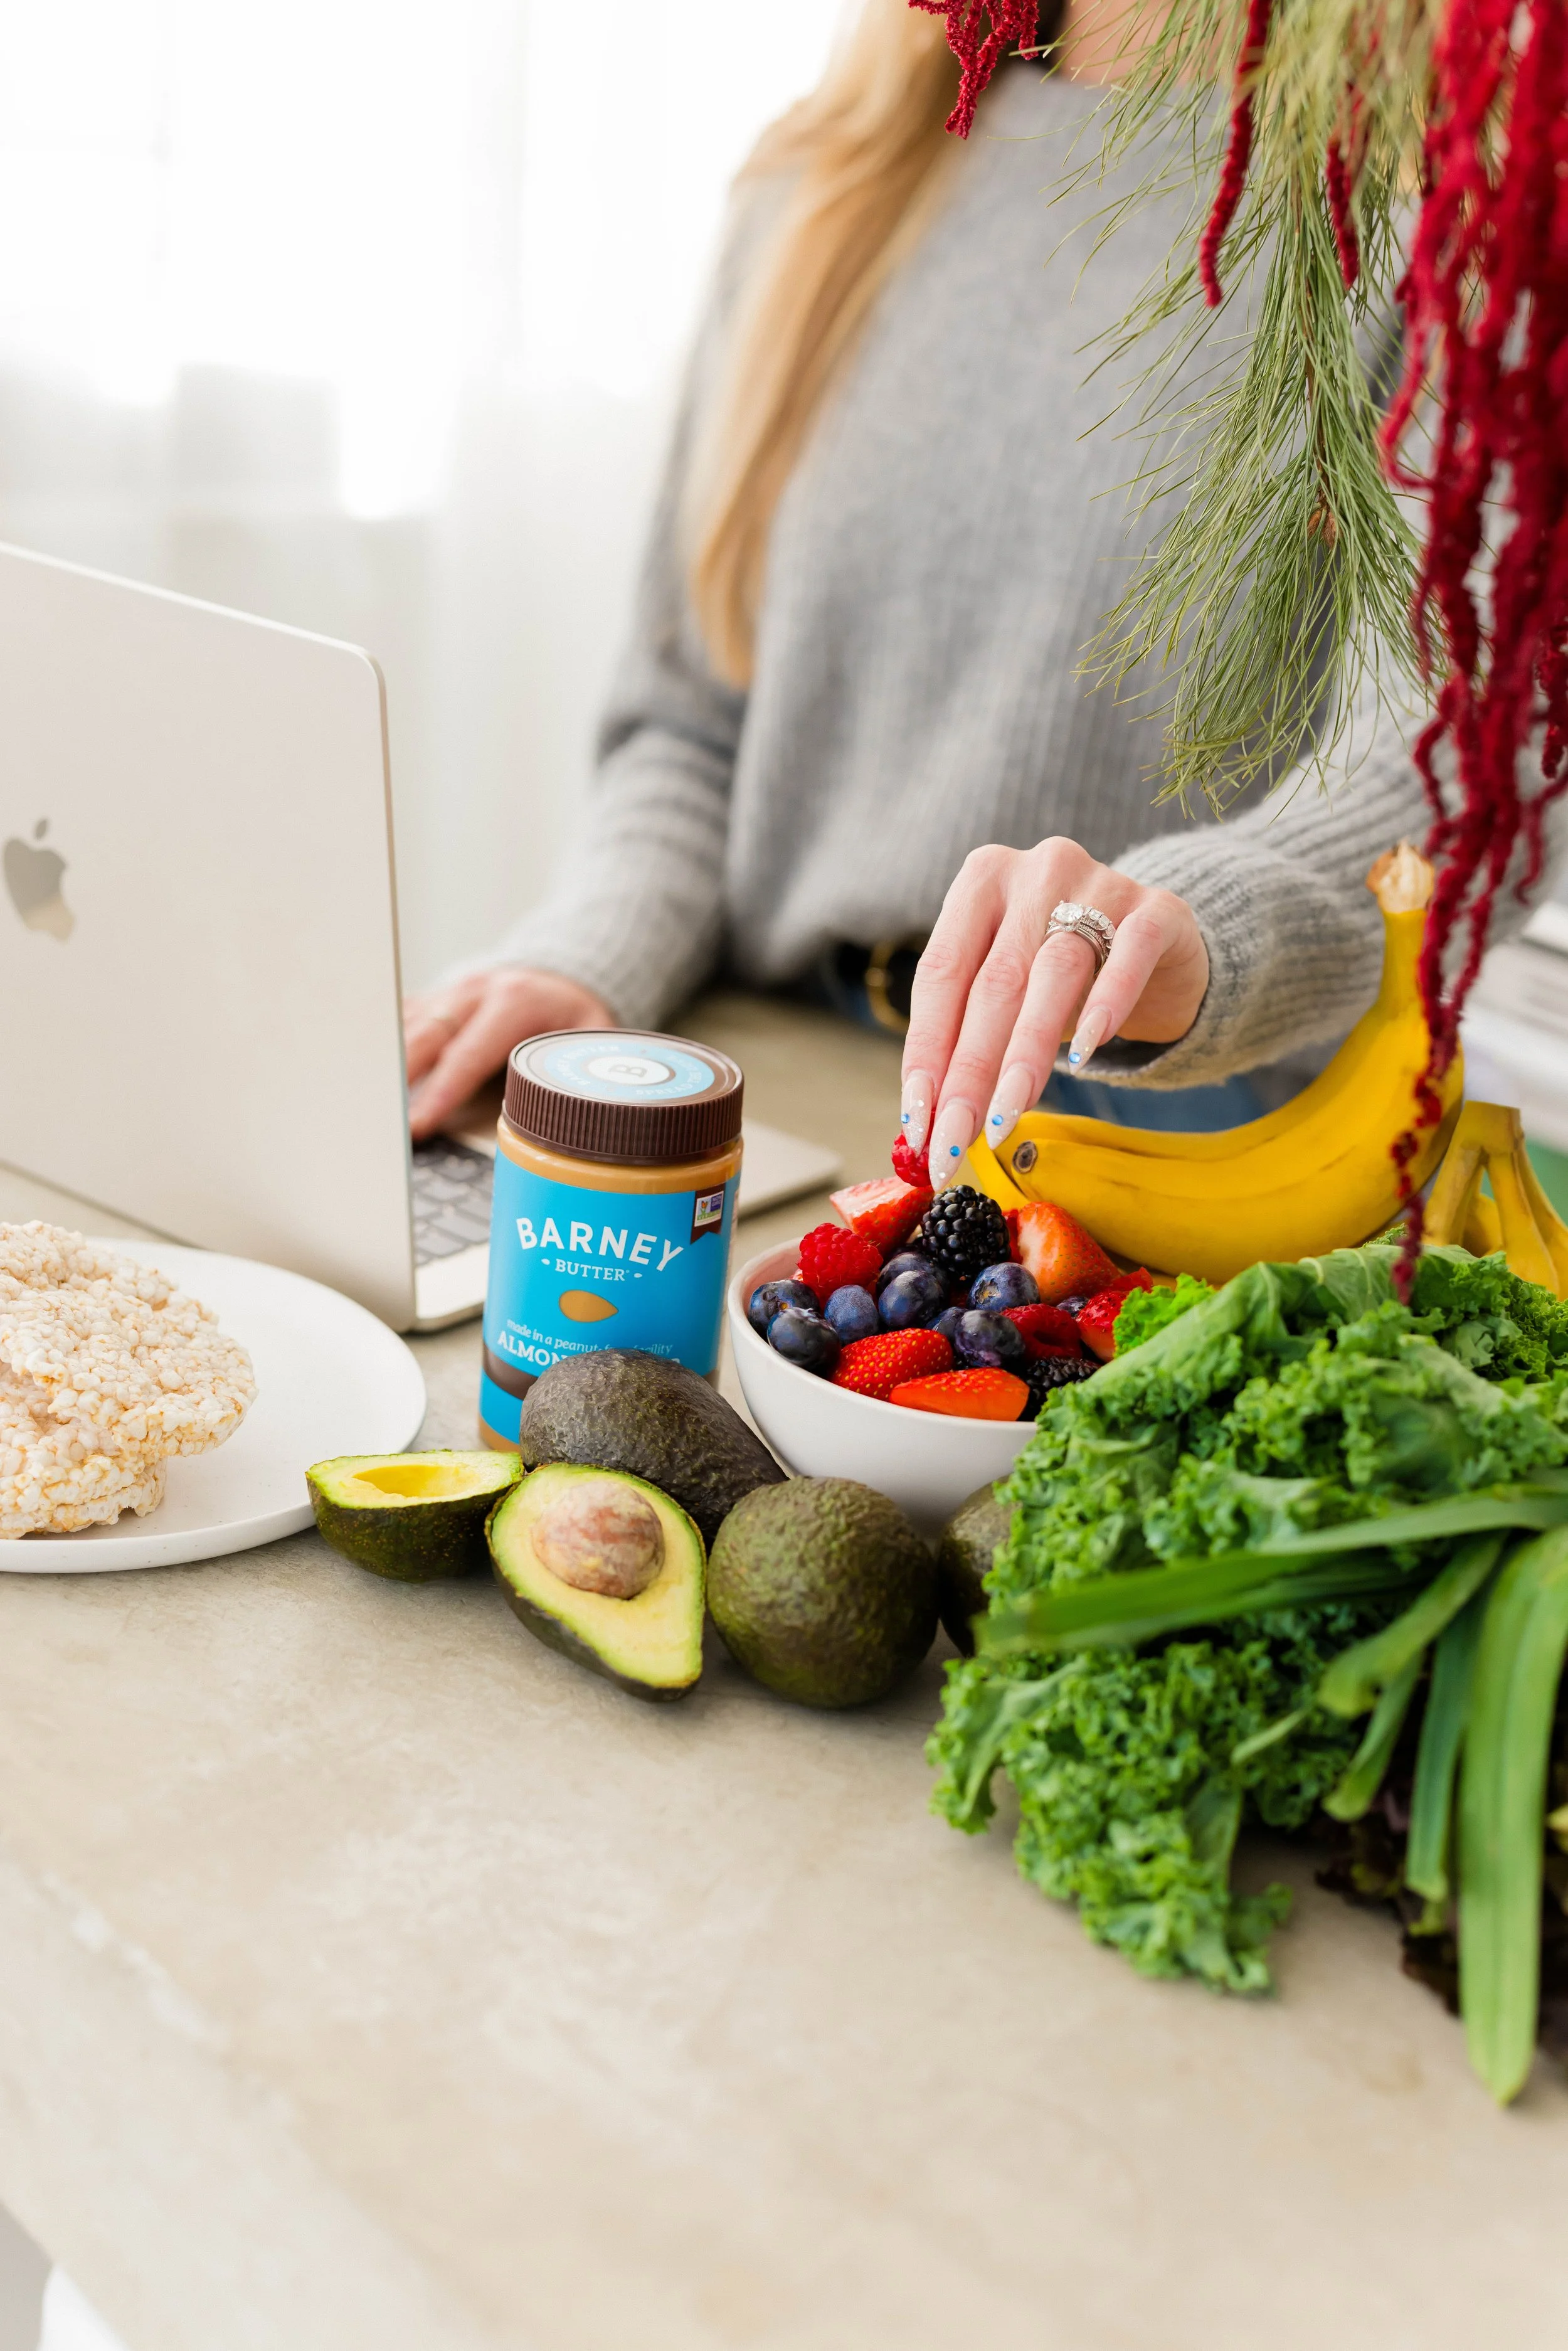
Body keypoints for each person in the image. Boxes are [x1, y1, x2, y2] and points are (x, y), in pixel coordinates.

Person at [403, 0, 1538, 1179]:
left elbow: (1462, 762)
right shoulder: (832, 177)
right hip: (762, 1067)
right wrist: (585, 961)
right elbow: (694, 726)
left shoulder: (1463, 203)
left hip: (1168, 1140)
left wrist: (1175, 929)